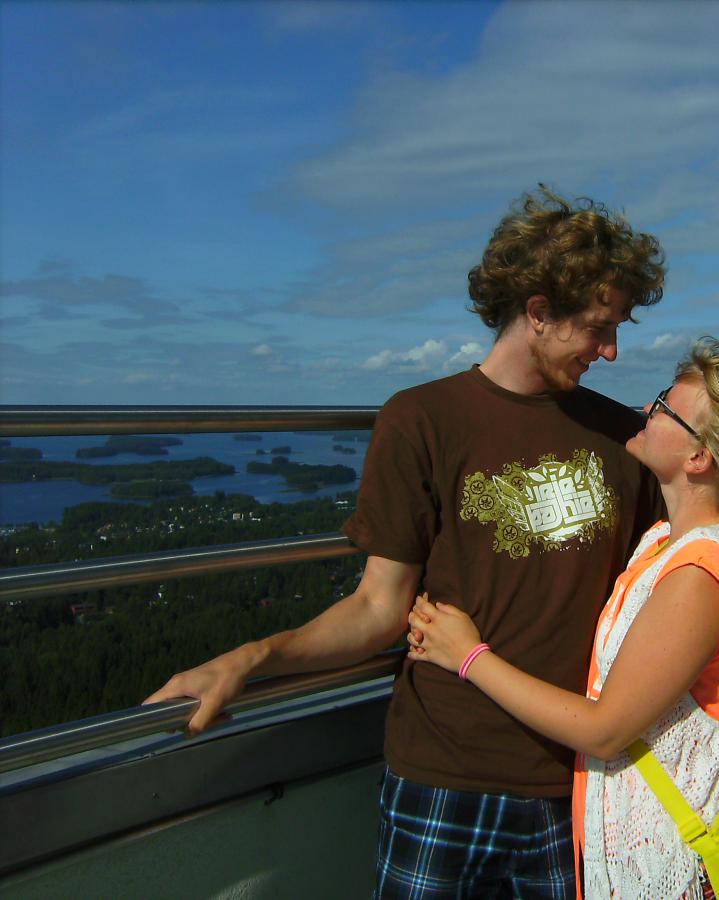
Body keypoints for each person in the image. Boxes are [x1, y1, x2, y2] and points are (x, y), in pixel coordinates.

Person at [144, 186, 667, 899]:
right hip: (440, 777)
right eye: (598, 328)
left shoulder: (621, 438)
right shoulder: (422, 420)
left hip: (577, 782)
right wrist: (251, 659)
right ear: (539, 312)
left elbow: (661, 591)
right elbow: (378, 608)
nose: (611, 351)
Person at [406, 338, 719, 898]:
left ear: (699, 457)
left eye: (664, 407)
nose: (646, 409)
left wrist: (467, 655)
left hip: (670, 866)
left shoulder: (702, 574)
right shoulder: (669, 541)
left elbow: (606, 729)